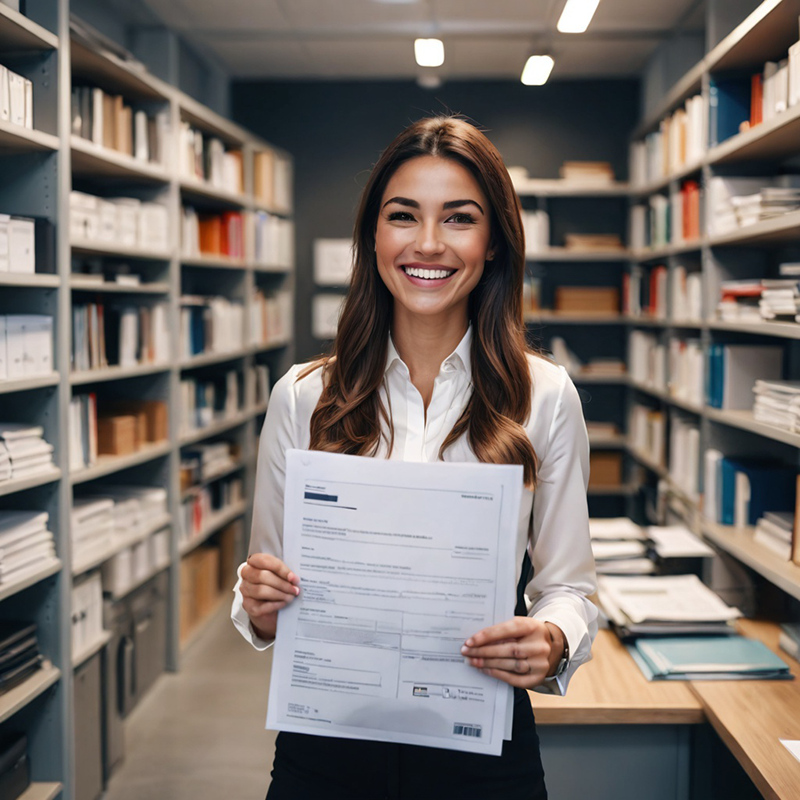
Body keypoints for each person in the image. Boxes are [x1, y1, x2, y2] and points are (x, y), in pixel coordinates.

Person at [231, 115, 597, 799]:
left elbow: (570, 587)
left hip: (483, 746)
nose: (428, 243)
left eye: (459, 219)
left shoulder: (544, 395)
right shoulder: (304, 397)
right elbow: (266, 595)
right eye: (404, 216)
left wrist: (551, 637)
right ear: (374, 237)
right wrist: (259, 601)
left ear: (492, 243)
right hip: (327, 748)